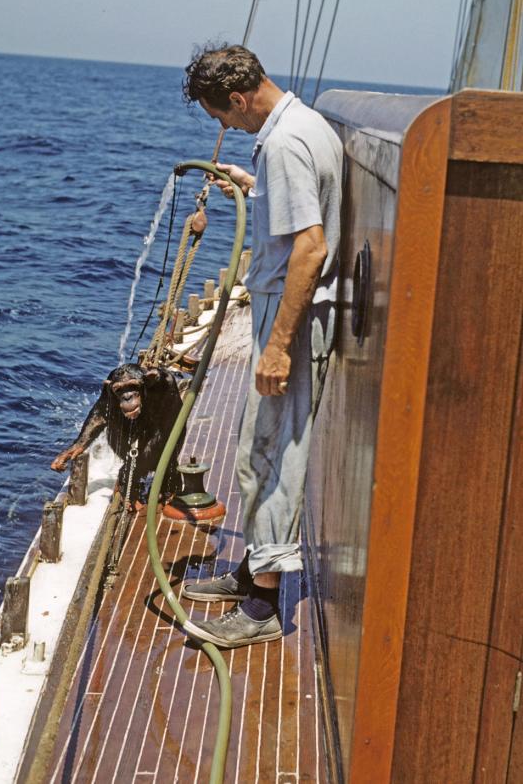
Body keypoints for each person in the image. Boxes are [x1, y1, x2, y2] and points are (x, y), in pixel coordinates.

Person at [180, 44, 342, 648]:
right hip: (289, 311)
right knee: (259, 449)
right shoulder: (304, 124)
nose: (225, 127)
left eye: (223, 117)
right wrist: (258, 189)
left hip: (291, 319)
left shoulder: (282, 143)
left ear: (241, 98)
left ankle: (262, 607)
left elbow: (310, 247)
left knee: (268, 456)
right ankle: (253, 571)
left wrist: (278, 346)